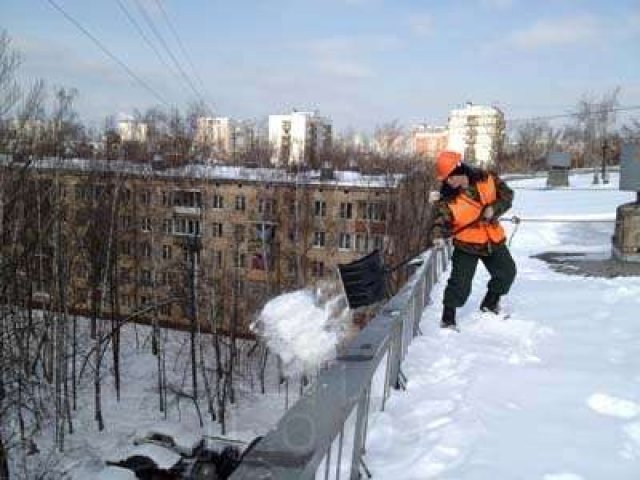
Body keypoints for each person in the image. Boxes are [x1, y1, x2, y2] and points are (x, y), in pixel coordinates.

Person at [430, 150, 517, 330]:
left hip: (492, 239)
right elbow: (441, 220)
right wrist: (438, 236)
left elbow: (507, 196)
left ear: (460, 171)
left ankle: (490, 303)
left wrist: (494, 209)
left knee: (507, 272)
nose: (448, 182)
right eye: (445, 180)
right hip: (466, 244)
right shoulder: (447, 199)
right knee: (459, 284)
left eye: (450, 178)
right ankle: (448, 319)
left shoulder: (488, 178)